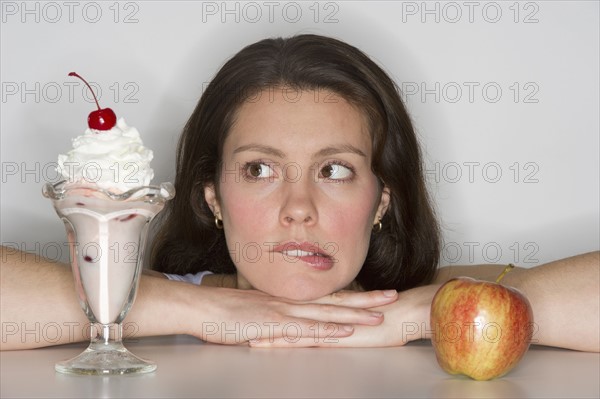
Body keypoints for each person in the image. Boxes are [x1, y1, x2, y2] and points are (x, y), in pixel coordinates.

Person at [1, 35, 598, 352]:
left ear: (382, 202)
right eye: (260, 169)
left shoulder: (440, 300)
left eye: (335, 171)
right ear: (211, 197)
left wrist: (424, 315)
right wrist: (196, 310)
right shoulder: (140, 306)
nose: (299, 209)